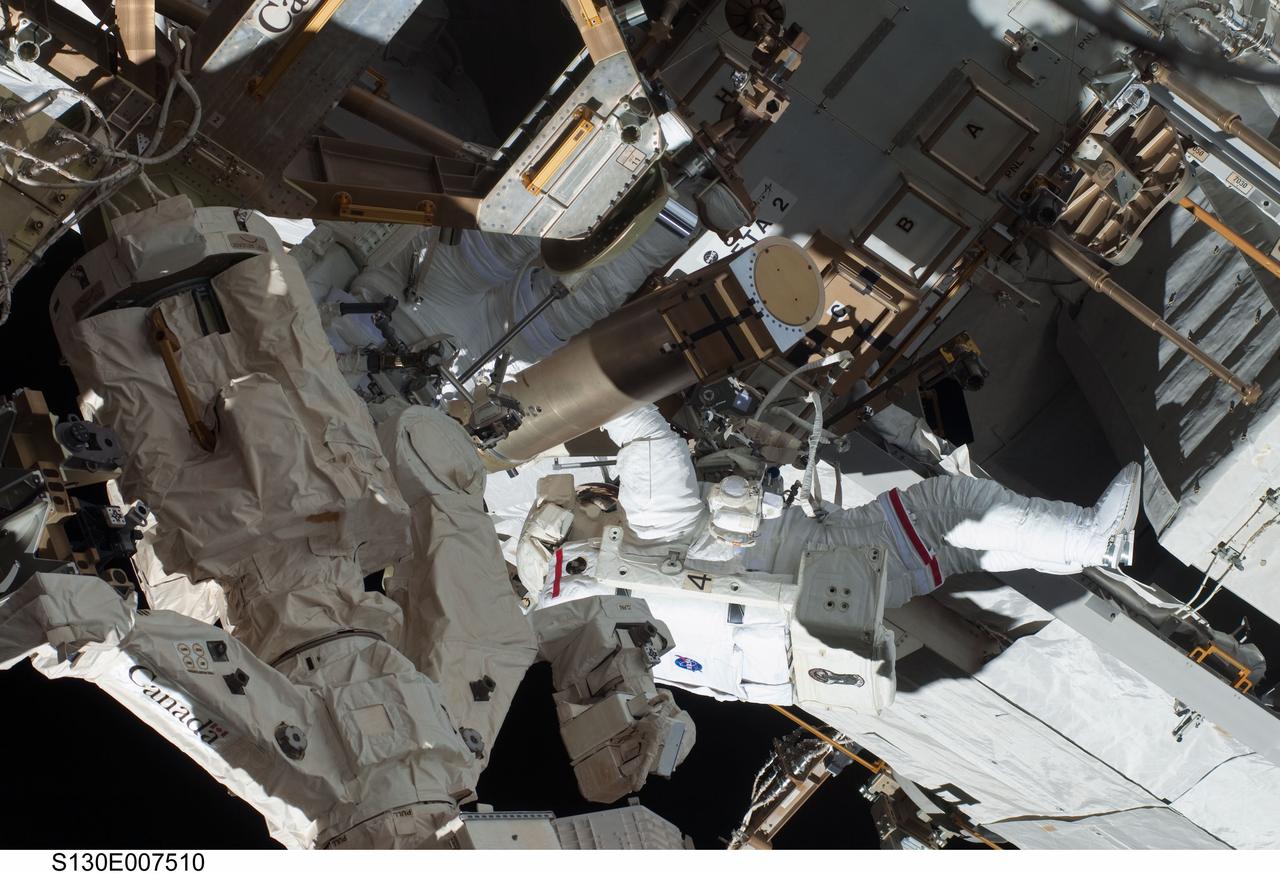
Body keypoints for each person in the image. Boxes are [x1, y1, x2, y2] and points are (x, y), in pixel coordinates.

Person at [515, 402, 1142, 709]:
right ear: (571, 536)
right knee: (947, 508)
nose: (605, 500)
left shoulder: (617, 627)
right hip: (818, 571)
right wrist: (588, 388)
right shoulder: (647, 539)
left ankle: (1077, 550)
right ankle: (1093, 540)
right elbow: (648, 437)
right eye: (592, 504)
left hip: (804, 640)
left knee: (953, 549)